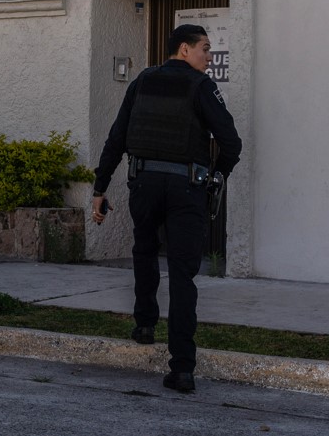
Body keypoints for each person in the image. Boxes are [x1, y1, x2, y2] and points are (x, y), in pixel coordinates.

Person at [90, 23, 242, 393]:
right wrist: (217, 175)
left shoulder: (142, 81)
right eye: (205, 48)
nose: (209, 56)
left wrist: (100, 187)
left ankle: (144, 325)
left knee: (143, 251)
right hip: (185, 188)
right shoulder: (201, 86)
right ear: (185, 50)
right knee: (182, 273)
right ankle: (182, 368)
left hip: (143, 184)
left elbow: (116, 137)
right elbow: (231, 142)